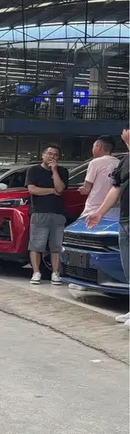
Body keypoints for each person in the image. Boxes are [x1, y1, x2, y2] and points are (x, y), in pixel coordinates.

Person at [86, 127, 129, 326]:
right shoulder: (125, 161)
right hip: (125, 219)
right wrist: (100, 212)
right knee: (128, 266)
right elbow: (115, 189)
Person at [69, 136, 121, 290]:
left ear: (98, 147)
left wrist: (81, 190)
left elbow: (87, 188)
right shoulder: (119, 162)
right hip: (113, 209)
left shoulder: (95, 162)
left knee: (82, 244)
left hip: (94, 209)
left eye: (93, 147)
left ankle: (81, 280)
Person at [25, 145, 70, 285]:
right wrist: (51, 191)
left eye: (55, 155)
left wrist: (54, 171)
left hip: (58, 213)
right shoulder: (33, 170)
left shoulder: (62, 171)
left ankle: (55, 273)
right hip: (39, 212)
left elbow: (60, 189)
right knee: (36, 244)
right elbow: (32, 189)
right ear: (43, 155)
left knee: (56, 245)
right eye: (49, 153)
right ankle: (36, 272)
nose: (52, 157)